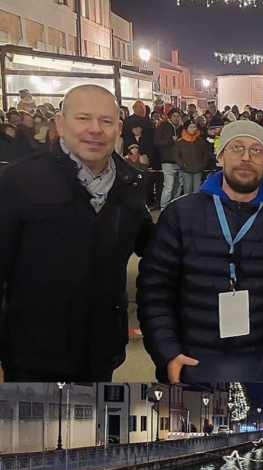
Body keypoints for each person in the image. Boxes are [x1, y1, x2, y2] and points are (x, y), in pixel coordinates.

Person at [137, 120, 263, 382]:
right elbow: (155, 290)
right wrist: (168, 352)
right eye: (236, 147)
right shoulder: (181, 214)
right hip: (189, 358)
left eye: (256, 151)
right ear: (220, 156)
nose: (245, 157)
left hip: (257, 360)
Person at [0, 85, 152, 381]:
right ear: (60, 123)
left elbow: (149, 242)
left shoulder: (130, 182)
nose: (95, 130)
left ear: (118, 128)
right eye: (83, 119)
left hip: (101, 350)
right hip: (31, 354)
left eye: (106, 121)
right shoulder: (19, 181)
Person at [154, 108, 185, 209]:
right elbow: (156, 142)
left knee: (178, 185)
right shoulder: (163, 127)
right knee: (169, 185)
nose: (176, 118)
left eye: (178, 116)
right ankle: (164, 207)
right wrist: (171, 140)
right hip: (167, 160)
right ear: (170, 117)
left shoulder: (182, 129)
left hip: (180, 161)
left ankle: (173, 206)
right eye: (174, 116)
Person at [174, 120, 211, 197]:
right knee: (187, 189)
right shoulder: (181, 142)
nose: (193, 129)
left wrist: (204, 163)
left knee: (197, 189)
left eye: (194, 127)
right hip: (186, 169)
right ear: (186, 129)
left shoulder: (200, 141)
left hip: (198, 168)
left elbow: (205, 153)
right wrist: (182, 165)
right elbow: (176, 155)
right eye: (191, 127)